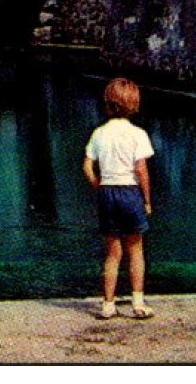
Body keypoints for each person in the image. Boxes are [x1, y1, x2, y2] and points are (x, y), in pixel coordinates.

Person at [82, 77, 154, 321]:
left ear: (107, 105)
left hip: (108, 192)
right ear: (134, 106)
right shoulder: (138, 134)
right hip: (130, 191)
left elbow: (87, 165)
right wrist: (146, 200)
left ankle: (108, 304)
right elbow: (141, 170)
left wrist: (97, 185)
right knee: (135, 249)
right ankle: (137, 301)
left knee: (112, 253)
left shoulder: (99, 133)